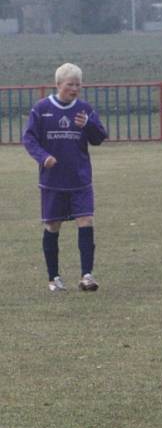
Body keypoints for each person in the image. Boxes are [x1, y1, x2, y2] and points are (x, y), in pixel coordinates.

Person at [23, 63, 107, 292]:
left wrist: (88, 125)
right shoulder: (41, 109)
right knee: (52, 226)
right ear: (58, 84)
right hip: (52, 180)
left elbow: (99, 137)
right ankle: (54, 279)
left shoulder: (84, 109)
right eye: (70, 84)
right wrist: (43, 157)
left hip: (80, 178)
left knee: (86, 220)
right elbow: (29, 139)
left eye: (78, 84)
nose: (75, 88)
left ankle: (87, 276)